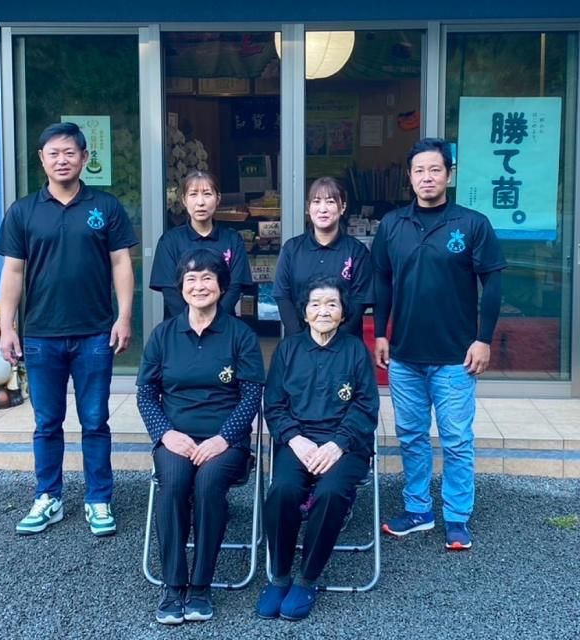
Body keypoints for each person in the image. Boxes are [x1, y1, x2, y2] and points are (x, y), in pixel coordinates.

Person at [0, 122, 138, 537]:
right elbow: (13, 272)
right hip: (41, 334)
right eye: (53, 153)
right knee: (47, 422)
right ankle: (48, 497)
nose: (62, 160)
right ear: (42, 159)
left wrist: (124, 316)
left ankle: (98, 498)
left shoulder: (105, 207)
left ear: (85, 158)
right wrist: (7, 327)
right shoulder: (23, 211)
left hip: (94, 332)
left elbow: (121, 263)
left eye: (70, 152)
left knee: (95, 420)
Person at [371, 137, 506, 551]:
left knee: (456, 439)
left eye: (435, 169)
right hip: (405, 354)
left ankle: (457, 516)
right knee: (411, 436)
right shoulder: (392, 224)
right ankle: (418, 509)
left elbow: (493, 282)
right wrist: (381, 333)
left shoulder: (472, 223)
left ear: (449, 174)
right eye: (419, 170)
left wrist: (483, 339)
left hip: (455, 357)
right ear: (409, 177)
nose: (427, 177)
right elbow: (382, 281)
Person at [137, 248, 264, 625]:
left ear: (222, 286)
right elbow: (146, 393)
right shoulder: (163, 335)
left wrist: (224, 438)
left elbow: (252, 394)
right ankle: (173, 585)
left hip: (227, 442)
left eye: (208, 278)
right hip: (176, 437)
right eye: (191, 279)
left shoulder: (240, 335)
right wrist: (165, 433)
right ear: (181, 287)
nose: (199, 285)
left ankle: (201, 586)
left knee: (208, 483)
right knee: (174, 482)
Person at [256, 276, 379, 621]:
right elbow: (274, 404)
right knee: (282, 490)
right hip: (297, 442)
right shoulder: (288, 349)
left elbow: (366, 405)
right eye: (316, 304)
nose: (323, 311)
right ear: (305, 312)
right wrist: (295, 439)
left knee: (331, 493)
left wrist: (338, 444)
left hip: (345, 445)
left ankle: (306, 578)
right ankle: (279, 575)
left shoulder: (356, 351)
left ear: (343, 313)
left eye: (332, 304)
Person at [273, 177, 373, 338]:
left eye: (330, 202)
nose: (323, 209)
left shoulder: (357, 251)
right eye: (316, 201)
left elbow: (359, 301)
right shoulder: (291, 249)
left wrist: (332, 342)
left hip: (344, 343)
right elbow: (282, 296)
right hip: (299, 342)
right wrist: (301, 340)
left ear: (343, 207)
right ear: (308, 207)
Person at [150, 170, 253, 319]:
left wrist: (214, 322)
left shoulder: (232, 239)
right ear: (184, 200)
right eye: (193, 194)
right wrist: (192, 322)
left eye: (207, 194)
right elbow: (170, 291)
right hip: (180, 325)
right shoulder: (169, 241)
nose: (200, 202)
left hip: (223, 325)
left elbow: (235, 287)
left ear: (218, 199)